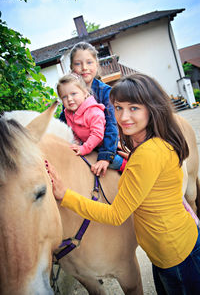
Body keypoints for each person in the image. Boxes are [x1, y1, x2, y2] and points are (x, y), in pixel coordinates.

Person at [47, 73, 200, 295]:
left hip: (175, 256)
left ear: (152, 108)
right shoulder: (154, 143)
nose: (123, 116)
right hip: (173, 247)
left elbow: (116, 215)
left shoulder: (147, 154)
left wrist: (65, 195)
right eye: (118, 108)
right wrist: (131, 161)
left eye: (133, 108)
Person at [59, 41, 126, 176]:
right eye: (78, 64)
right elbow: (64, 122)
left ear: (96, 64)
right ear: (72, 68)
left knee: (123, 160)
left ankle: (132, 171)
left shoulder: (106, 92)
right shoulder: (70, 95)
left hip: (109, 141)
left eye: (89, 62)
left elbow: (111, 125)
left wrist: (106, 156)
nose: (84, 68)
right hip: (86, 144)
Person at [57, 73, 106, 156]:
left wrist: (84, 148)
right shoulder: (68, 113)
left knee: (114, 161)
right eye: (64, 97)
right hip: (87, 145)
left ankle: (123, 164)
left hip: (103, 145)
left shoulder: (93, 111)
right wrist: (76, 142)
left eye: (73, 94)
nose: (69, 99)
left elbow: (97, 134)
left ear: (85, 93)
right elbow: (74, 131)